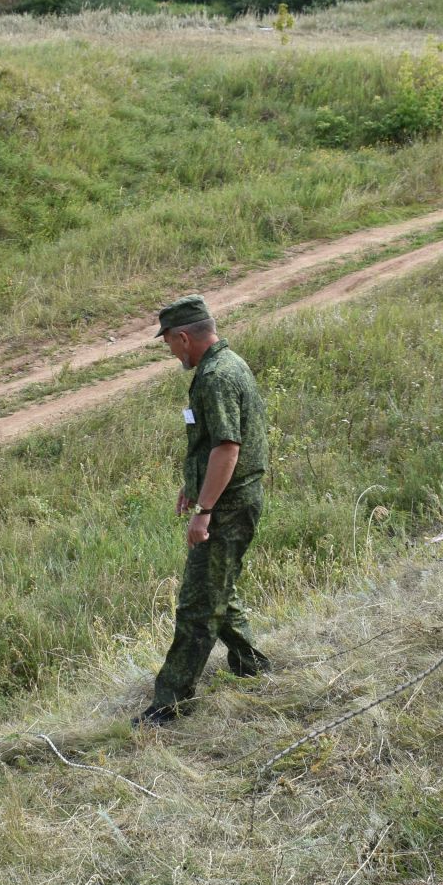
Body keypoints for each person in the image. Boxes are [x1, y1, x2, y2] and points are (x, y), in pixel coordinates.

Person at [139, 294, 271, 724]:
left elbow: (228, 448)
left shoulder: (215, 377)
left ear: (182, 337)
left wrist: (204, 511)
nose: (170, 352)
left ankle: (171, 702)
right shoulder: (228, 362)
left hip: (228, 506)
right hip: (229, 498)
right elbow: (213, 444)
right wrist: (192, 488)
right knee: (218, 588)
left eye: (168, 344)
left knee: (197, 605)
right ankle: (251, 665)